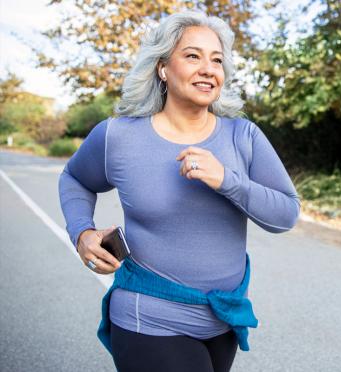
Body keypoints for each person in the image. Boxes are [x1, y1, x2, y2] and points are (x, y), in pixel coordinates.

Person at [58, 10, 300, 372]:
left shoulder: (243, 136)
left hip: (223, 322)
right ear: (162, 68)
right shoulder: (119, 136)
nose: (208, 68)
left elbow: (286, 215)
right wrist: (82, 232)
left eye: (217, 60)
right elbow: (75, 179)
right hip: (148, 317)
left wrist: (227, 180)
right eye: (192, 56)